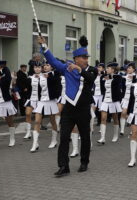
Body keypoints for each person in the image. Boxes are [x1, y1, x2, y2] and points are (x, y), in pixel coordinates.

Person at [38, 35, 96, 177]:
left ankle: (84, 161)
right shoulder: (66, 68)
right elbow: (53, 61)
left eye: (87, 57)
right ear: (76, 58)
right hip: (69, 108)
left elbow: (91, 79)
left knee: (85, 136)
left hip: (83, 109)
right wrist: (44, 46)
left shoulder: (92, 70)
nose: (86, 59)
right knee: (64, 137)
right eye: (83, 57)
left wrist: (80, 69)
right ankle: (64, 166)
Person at [30, 63, 61, 152]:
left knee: (52, 121)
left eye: (48, 65)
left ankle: (54, 140)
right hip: (41, 101)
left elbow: (57, 83)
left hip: (51, 101)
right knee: (37, 121)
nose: (45, 66)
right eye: (45, 65)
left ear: (51, 67)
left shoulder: (54, 74)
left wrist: (50, 75)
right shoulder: (40, 76)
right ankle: (35, 143)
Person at [0, 61, 17, 146]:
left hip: (6, 103)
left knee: (9, 122)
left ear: (1, 69)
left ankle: (12, 138)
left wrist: (3, 68)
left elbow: (7, 72)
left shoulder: (5, 78)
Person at [97, 62, 122, 144]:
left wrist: (109, 76)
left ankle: (115, 135)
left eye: (108, 68)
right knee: (103, 117)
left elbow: (116, 79)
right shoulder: (104, 77)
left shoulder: (118, 77)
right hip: (105, 100)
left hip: (113, 100)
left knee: (115, 118)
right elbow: (102, 87)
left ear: (113, 70)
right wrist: (104, 76)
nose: (106, 69)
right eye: (106, 68)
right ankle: (102, 138)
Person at [120, 62, 137, 136]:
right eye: (128, 68)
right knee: (123, 113)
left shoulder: (136, 77)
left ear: (133, 69)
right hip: (126, 97)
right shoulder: (124, 77)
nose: (128, 69)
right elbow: (123, 87)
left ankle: (132, 129)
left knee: (131, 114)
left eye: (130, 68)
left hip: (133, 98)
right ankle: (122, 130)